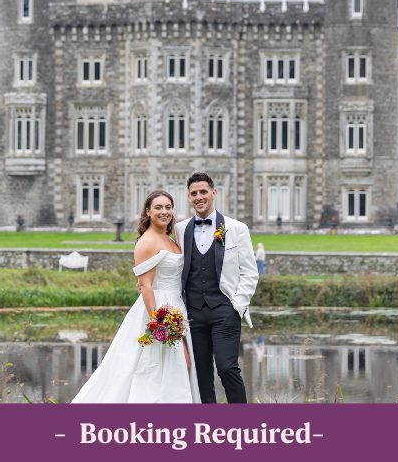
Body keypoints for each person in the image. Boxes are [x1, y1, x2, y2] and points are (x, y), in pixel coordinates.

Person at [72, 190, 200, 403]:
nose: (164, 211)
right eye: (158, 207)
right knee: (156, 368)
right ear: (148, 212)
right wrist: (160, 324)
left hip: (177, 305)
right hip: (159, 310)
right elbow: (145, 286)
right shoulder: (147, 242)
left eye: (168, 207)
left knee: (178, 367)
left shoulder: (171, 238)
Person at [175, 172, 259, 404]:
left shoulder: (236, 228)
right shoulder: (181, 229)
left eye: (203, 192)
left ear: (214, 193)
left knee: (227, 368)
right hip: (193, 314)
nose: (199, 197)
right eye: (194, 193)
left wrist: (237, 306)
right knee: (200, 375)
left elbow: (250, 272)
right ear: (189, 197)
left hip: (224, 310)